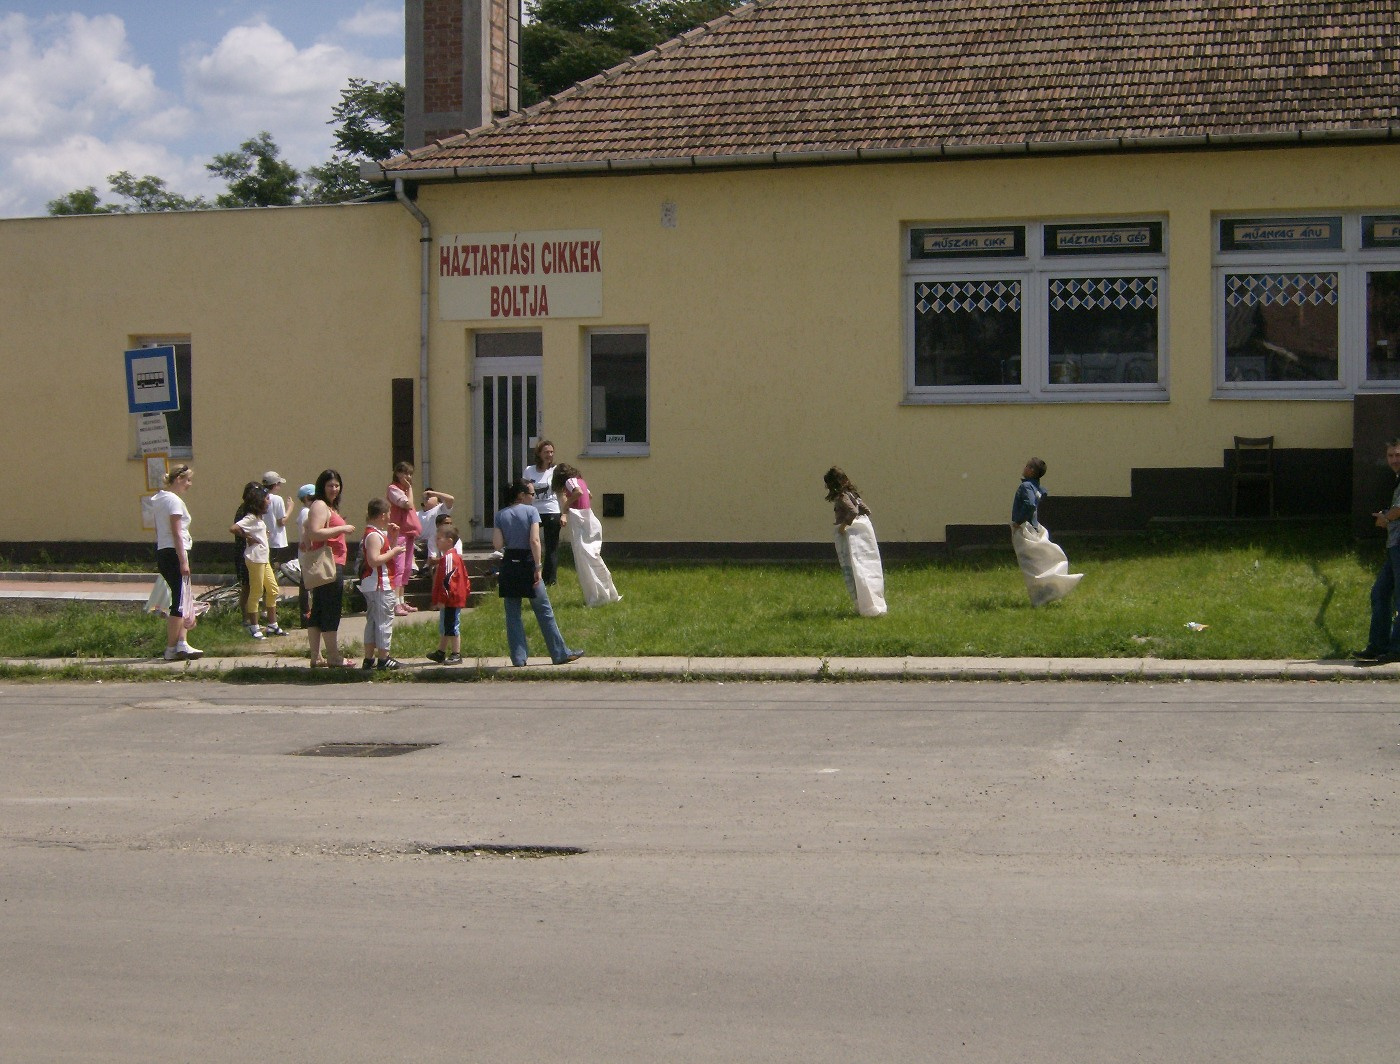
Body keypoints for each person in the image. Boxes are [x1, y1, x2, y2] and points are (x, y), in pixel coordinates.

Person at [492, 478, 584, 666]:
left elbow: (498, 544)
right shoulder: (532, 512)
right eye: (531, 494)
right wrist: (538, 566)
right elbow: (535, 541)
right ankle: (559, 653)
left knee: (512, 613)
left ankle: (518, 657)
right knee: (544, 610)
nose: (533, 497)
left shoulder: (500, 515)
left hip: (510, 563)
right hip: (527, 561)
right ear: (521, 495)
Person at [302, 468, 357, 668]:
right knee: (331, 610)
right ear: (321, 487)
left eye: (336, 485)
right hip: (330, 565)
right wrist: (342, 528)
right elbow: (315, 533)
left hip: (331, 564)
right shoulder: (320, 505)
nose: (334, 489)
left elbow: (307, 531)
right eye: (329, 485)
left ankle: (316, 657)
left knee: (318, 610)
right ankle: (334, 656)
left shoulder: (327, 506)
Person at [1010, 457, 1083, 607]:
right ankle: (1048, 589)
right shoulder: (1037, 487)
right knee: (1039, 560)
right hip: (1034, 528)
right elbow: (1041, 495)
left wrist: (1018, 521)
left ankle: (1041, 595)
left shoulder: (1026, 487)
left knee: (1030, 565)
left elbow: (1029, 504)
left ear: (1031, 470)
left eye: (1027, 466)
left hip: (1025, 529)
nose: (1024, 468)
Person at [150, 464, 203, 661]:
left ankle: (182, 642)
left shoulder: (159, 499)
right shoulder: (173, 501)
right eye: (187, 480)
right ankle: (171, 648)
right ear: (178, 479)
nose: (189, 484)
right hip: (175, 552)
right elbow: (177, 533)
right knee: (179, 601)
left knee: (182, 598)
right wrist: (183, 561)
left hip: (164, 551)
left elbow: (159, 530)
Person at [551, 463, 621, 606]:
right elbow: (589, 494)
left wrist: (566, 505)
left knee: (586, 559)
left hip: (581, 520)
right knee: (593, 557)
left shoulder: (570, 481)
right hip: (589, 518)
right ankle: (606, 593)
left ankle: (597, 597)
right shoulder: (581, 480)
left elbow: (578, 493)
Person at [823, 467, 888, 617]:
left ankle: (864, 604)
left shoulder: (842, 497)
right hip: (863, 530)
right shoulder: (853, 495)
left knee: (856, 567)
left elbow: (853, 511)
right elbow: (866, 510)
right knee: (869, 566)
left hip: (851, 534)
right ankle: (874, 603)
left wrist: (844, 526)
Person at [1357, 438, 1400, 662]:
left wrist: (1386, 517)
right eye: (1391, 455)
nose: (1394, 460)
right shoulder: (1397, 480)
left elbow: (1399, 509)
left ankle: (1396, 649)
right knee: (1380, 593)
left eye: (1398, 455)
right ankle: (1378, 645)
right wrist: (1386, 515)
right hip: (1394, 546)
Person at [230, 481, 285, 638]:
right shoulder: (250, 516)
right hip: (255, 559)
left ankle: (272, 625)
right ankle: (253, 626)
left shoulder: (258, 518)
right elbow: (233, 528)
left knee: (273, 589)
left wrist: (262, 534)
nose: (269, 501)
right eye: (267, 499)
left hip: (263, 558)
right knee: (256, 591)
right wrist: (249, 537)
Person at [358, 498, 406, 670]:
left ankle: (369, 658)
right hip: (380, 585)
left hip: (376, 585)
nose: (389, 517)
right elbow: (374, 560)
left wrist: (392, 539)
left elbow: (382, 555)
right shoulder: (373, 535)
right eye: (388, 514)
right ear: (382, 515)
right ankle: (384, 658)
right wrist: (395, 550)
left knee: (373, 621)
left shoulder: (377, 534)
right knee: (384, 621)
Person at [523, 439, 564, 586]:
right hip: (534, 512)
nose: (549, 455)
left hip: (552, 511)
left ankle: (549, 580)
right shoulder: (529, 470)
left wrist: (564, 513)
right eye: (546, 452)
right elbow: (525, 492)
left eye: (552, 452)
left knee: (551, 546)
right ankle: (530, 573)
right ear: (539, 453)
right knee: (531, 542)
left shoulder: (556, 471)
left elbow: (561, 493)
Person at [427, 522, 469, 665]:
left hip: (451, 598)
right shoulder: (451, 557)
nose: (436, 541)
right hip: (453, 597)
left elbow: (447, 581)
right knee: (445, 625)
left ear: (449, 541)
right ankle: (441, 652)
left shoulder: (449, 558)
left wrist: (443, 598)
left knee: (451, 626)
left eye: (439, 538)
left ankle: (456, 653)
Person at [385, 461, 422, 615]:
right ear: (398, 473)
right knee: (398, 568)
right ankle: (395, 603)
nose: (408, 477)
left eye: (410, 474)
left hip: (409, 532)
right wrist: (410, 489)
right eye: (405, 473)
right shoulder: (393, 489)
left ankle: (401, 600)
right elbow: (408, 505)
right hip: (399, 532)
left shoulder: (404, 490)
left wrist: (408, 489)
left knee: (407, 568)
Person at [294, 483, 315, 626]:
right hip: (307, 554)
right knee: (307, 585)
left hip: (309, 553)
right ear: (306, 498)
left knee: (309, 584)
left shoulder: (308, 511)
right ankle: (306, 615)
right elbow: (304, 533)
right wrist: (308, 546)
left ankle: (309, 614)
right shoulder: (305, 512)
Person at [260, 471, 292, 565]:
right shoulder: (277, 499)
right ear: (275, 485)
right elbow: (281, 521)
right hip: (276, 540)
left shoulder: (259, 497)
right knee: (275, 566)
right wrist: (290, 508)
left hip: (264, 538)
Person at [416, 488, 456, 561]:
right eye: (425, 496)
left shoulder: (440, 509)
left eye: (430, 496)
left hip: (435, 544)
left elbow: (450, 499)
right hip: (419, 546)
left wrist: (433, 493)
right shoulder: (416, 514)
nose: (427, 497)